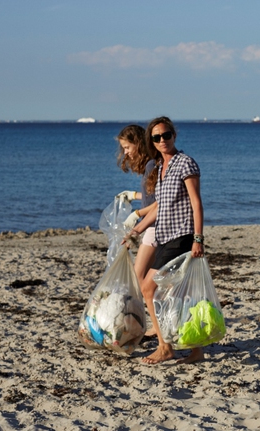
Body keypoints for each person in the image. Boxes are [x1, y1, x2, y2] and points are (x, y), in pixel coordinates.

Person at [127, 116, 206, 365]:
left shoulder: (185, 163)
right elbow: (160, 207)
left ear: (174, 135)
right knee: (178, 294)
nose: (162, 140)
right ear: (151, 140)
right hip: (164, 236)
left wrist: (198, 239)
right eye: (156, 137)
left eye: (166, 135)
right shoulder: (161, 167)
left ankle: (165, 347)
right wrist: (137, 230)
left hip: (181, 236)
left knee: (149, 288)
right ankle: (196, 350)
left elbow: (196, 202)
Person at [113, 124, 159, 289]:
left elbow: (160, 203)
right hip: (152, 225)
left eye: (127, 147)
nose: (125, 152)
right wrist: (133, 195)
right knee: (151, 279)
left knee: (139, 278)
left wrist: (136, 214)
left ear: (138, 144)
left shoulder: (152, 166)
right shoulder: (150, 165)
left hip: (155, 226)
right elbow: (151, 197)